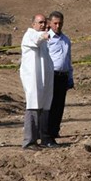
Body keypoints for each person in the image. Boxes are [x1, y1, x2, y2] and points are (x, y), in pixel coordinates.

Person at [20, 14, 56, 150]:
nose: (42, 25)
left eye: (44, 23)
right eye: (40, 22)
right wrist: (44, 36)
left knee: (42, 107)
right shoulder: (30, 34)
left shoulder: (43, 41)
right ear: (33, 24)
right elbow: (36, 39)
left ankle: (39, 139)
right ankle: (29, 141)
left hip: (43, 80)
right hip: (32, 79)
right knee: (33, 106)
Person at [47, 11, 74, 143]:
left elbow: (68, 59)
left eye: (60, 23)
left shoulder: (66, 40)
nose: (58, 26)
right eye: (55, 23)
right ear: (50, 23)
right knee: (50, 105)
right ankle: (47, 133)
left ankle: (54, 130)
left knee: (59, 105)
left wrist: (70, 77)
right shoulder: (47, 39)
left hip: (63, 75)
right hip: (51, 75)